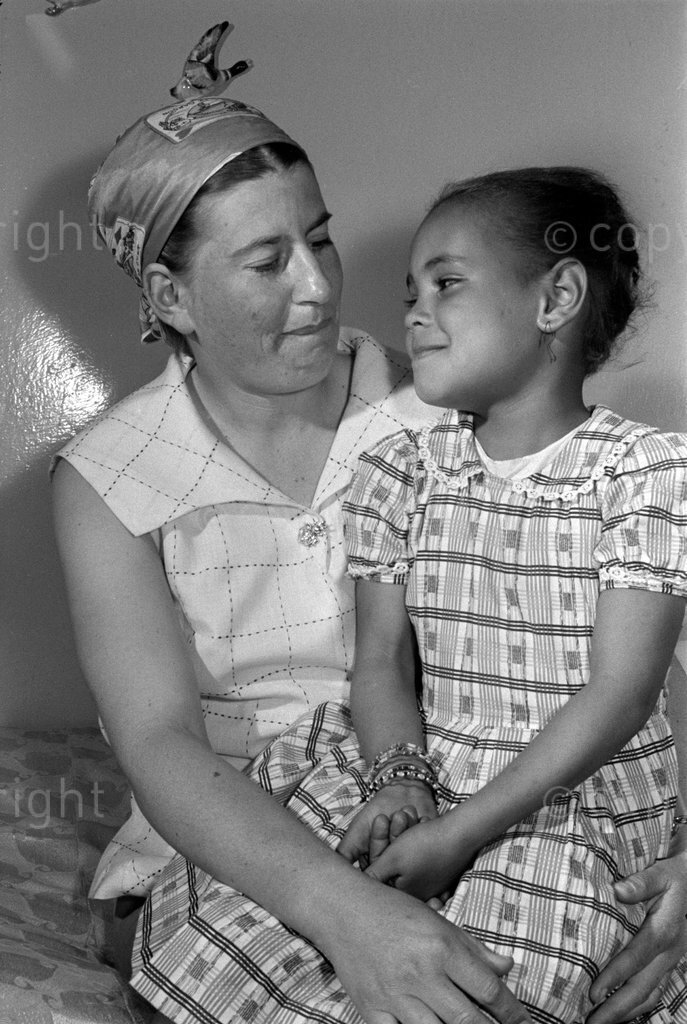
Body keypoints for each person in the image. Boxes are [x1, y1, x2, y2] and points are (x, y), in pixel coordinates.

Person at [50, 93, 686, 1024]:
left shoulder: (449, 401)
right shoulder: (110, 477)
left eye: (320, 238)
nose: (318, 286)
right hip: (243, 847)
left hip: (473, 804)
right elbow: (158, 743)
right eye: (267, 261)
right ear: (169, 295)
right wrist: (350, 916)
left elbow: (630, 666)